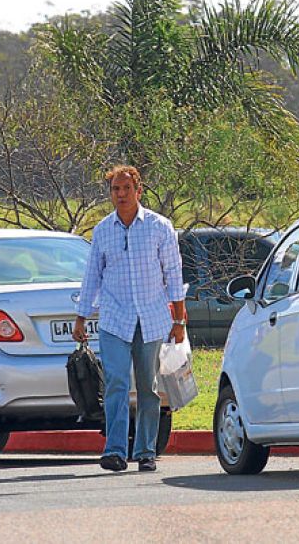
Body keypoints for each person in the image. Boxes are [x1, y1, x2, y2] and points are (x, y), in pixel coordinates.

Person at [73, 164, 185, 473]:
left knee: (148, 387)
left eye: (126, 189)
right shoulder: (103, 230)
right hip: (114, 319)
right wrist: (81, 317)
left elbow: (173, 274)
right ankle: (115, 450)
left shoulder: (160, 227)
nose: (121, 195)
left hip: (151, 318)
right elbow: (91, 276)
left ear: (138, 190)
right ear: (110, 194)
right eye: (115, 190)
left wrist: (179, 320)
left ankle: (146, 451)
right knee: (116, 383)